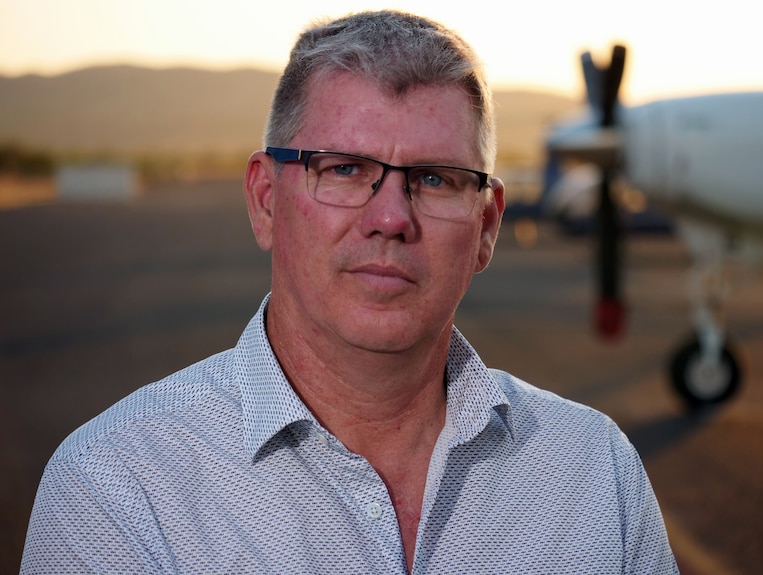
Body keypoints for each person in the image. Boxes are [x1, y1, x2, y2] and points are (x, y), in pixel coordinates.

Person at [21, 10, 678, 574]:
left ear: (485, 227)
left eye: (436, 179)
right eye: (343, 169)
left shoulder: (598, 474)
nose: (390, 217)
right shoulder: (115, 491)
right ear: (264, 200)